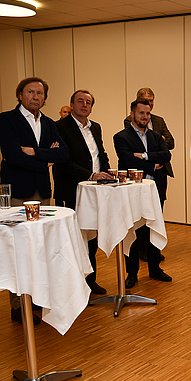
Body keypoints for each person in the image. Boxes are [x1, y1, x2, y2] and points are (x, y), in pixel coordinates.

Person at [0, 76, 69, 325]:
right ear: (20, 95)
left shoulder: (49, 123)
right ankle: (19, 305)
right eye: (30, 92)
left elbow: (63, 154)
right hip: (18, 193)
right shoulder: (6, 120)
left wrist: (34, 152)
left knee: (40, 247)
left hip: (42, 192)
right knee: (17, 249)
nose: (35, 97)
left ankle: (38, 298)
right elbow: (12, 155)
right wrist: (45, 159)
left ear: (45, 98)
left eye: (40, 93)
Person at [53, 89, 113, 295]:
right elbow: (63, 161)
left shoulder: (95, 127)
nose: (84, 105)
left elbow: (100, 153)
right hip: (72, 189)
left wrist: (108, 173)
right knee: (74, 237)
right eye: (80, 101)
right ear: (71, 104)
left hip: (94, 190)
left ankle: (90, 280)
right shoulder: (60, 127)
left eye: (88, 102)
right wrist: (90, 175)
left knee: (91, 235)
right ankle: (74, 284)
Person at [114, 98, 172, 289]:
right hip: (132, 192)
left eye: (147, 113)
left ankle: (155, 269)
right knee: (133, 231)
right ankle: (132, 273)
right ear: (132, 114)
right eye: (141, 113)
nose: (145, 117)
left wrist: (145, 156)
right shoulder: (121, 137)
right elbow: (128, 160)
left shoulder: (155, 136)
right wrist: (153, 165)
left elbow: (167, 155)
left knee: (153, 227)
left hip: (155, 190)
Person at [124, 87, 174, 261]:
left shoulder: (158, 121)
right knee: (140, 217)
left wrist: (148, 154)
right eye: (146, 101)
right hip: (139, 177)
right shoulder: (127, 123)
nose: (149, 106)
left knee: (156, 215)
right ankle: (140, 251)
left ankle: (154, 253)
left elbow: (170, 145)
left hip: (160, 176)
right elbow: (132, 151)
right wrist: (155, 154)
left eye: (151, 101)